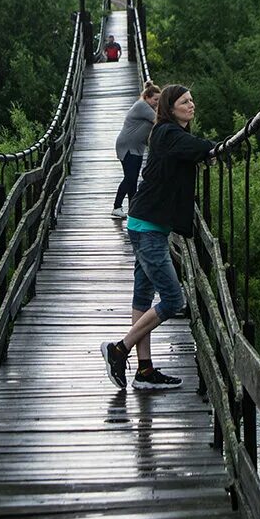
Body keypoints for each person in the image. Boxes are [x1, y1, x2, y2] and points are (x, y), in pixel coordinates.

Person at [101, 85, 214, 390]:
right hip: (148, 228)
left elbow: (192, 147)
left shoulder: (169, 134)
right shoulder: (166, 132)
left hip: (146, 225)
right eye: (184, 101)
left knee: (142, 296)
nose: (192, 105)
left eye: (192, 100)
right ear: (169, 106)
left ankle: (145, 370)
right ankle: (119, 350)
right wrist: (217, 148)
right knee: (174, 299)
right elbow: (198, 147)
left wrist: (207, 148)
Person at [111, 80, 161, 219]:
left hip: (136, 148)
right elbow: (159, 120)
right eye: (155, 99)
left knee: (132, 179)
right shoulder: (142, 106)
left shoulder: (147, 106)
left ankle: (133, 209)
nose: (157, 103)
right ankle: (117, 206)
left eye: (159, 100)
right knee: (130, 177)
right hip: (128, 147)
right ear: (147, 97)